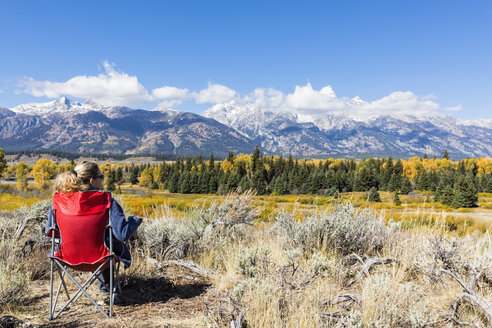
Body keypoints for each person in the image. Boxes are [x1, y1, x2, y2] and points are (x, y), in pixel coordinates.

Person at [47, 161, 142, 297]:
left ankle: (105, 287)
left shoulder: (60, 200)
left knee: (103, 237)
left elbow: (50, 231)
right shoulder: (106, 200)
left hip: (65, 258)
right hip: (100, 258)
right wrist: (135, 221)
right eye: (101, 177)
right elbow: (122, 235)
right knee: (106, 240)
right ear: (92, 181)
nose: (102, 180)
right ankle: (106, 289)